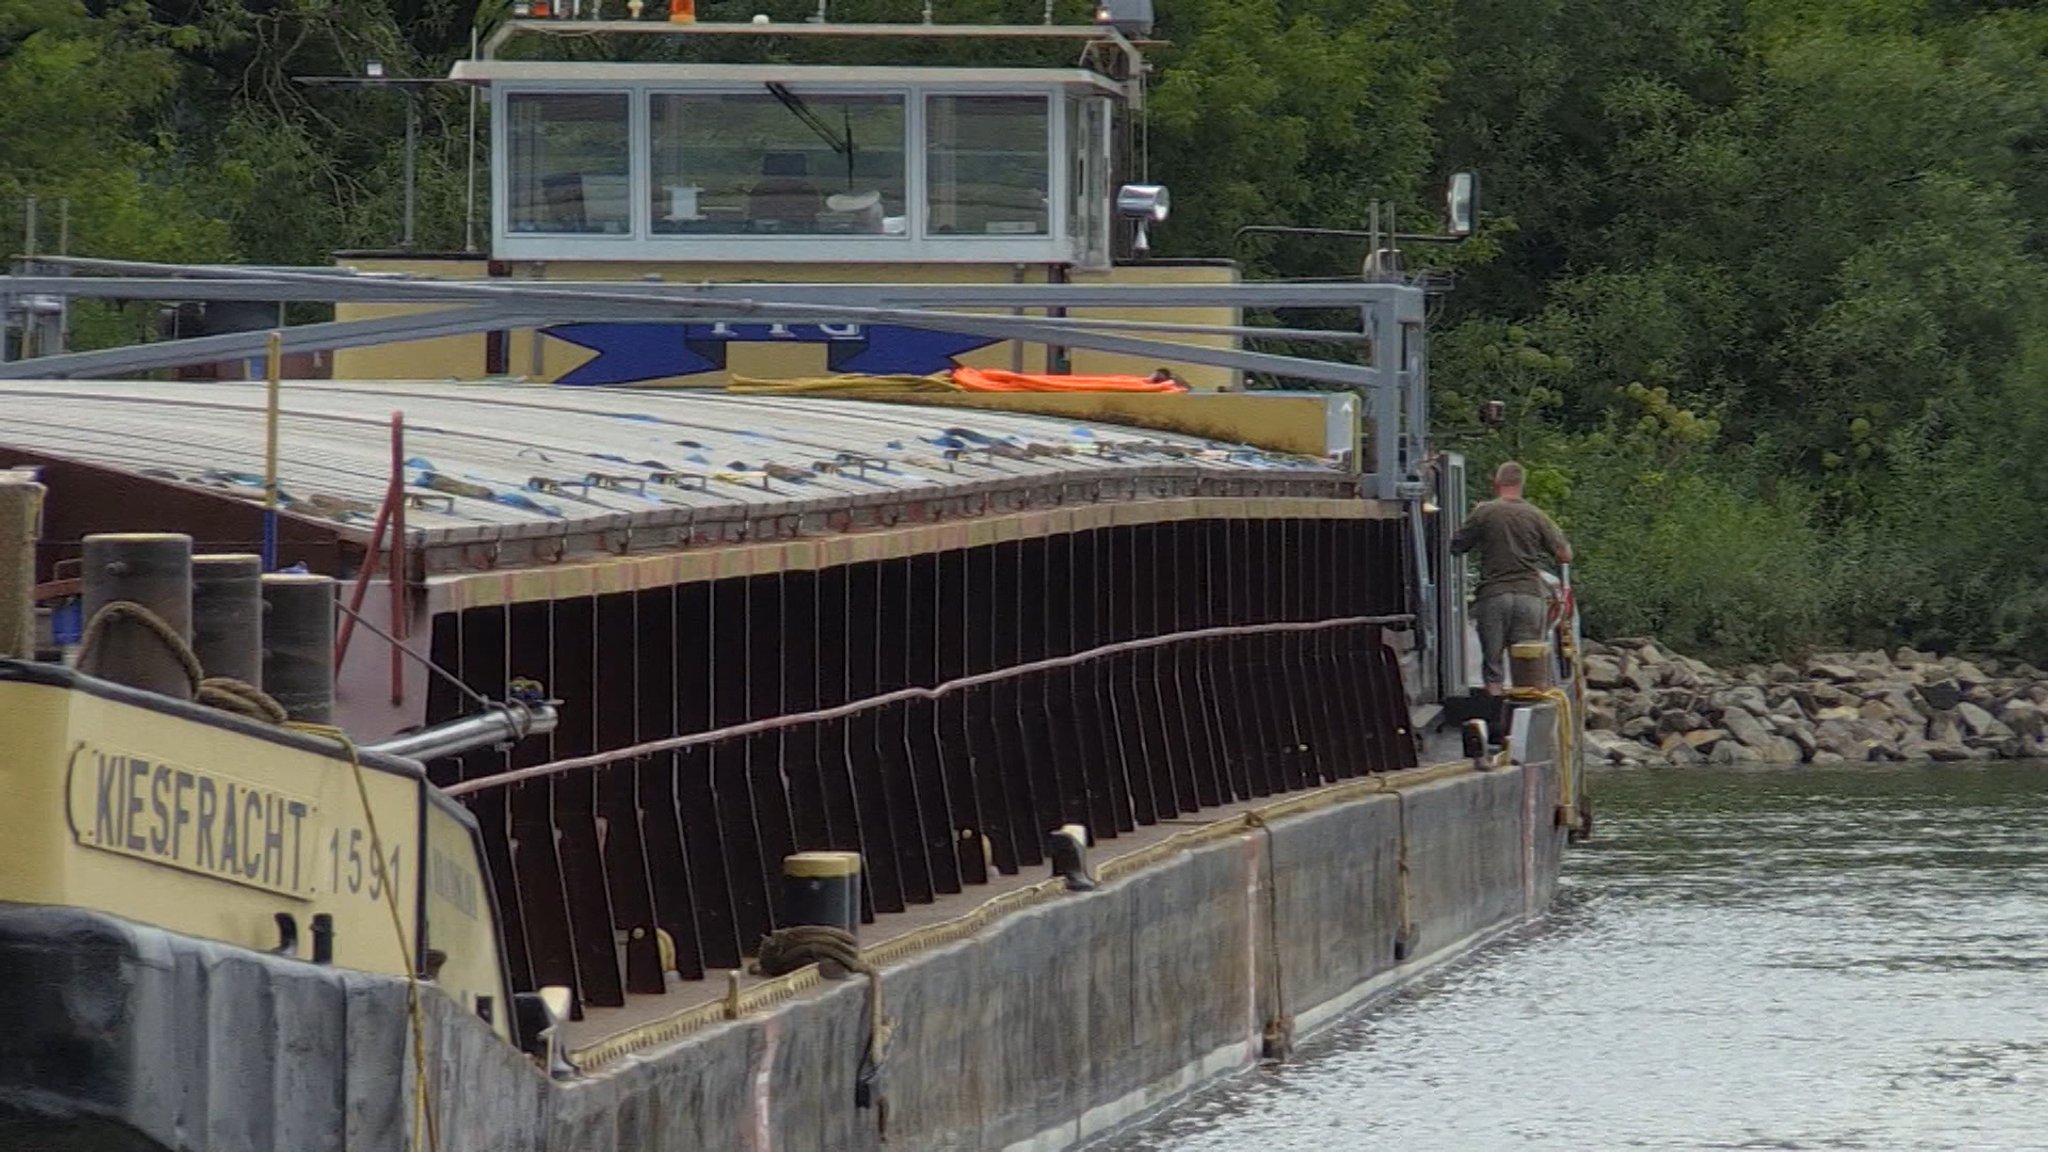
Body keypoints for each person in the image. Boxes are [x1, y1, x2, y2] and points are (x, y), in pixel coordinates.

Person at [1450, 461, 1572, 730]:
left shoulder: (1485, 512)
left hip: (1494, 595)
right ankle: (1525, 729)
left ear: (1497, 482)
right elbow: (1564, 554)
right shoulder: (1537, 515)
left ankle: (1496, 724)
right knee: (1528, 664)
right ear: (1521, 484)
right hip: (1530, 595)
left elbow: (1456, 545)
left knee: (1493, 665)